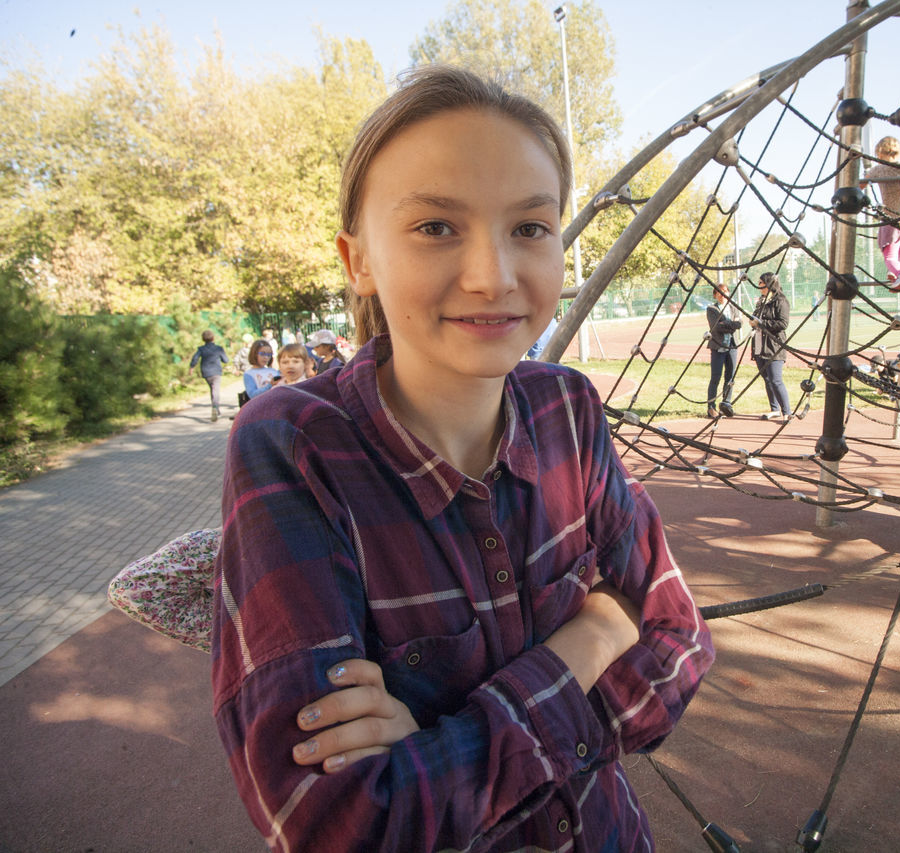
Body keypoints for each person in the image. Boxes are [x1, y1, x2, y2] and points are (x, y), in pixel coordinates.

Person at [210, 64, 713, 852]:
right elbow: (335, 821)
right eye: (436, 226)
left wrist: (442, 744)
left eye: (530, 227)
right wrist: (593, 634)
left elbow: (678, 641)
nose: (494, 276)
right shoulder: (296, 446)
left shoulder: (568, 411)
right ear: (358, 260)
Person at [863, 135, 900, 291]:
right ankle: (894, 272)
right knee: (895, 249)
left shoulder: (880, 169)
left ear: (880, 153)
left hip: (890, 216)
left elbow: (861, 184)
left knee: (888, 254)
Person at [750, 271, 791, 420]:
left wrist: (761, 323)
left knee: (775, 379)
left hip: (773, 346)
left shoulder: (780, 300)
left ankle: (787, 412)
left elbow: (783, 323)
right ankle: (775, 408)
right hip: (760, 346)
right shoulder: (761, 300)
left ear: (769, 283)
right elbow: (756, 316)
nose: (759, 286)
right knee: (767, 379)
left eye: (761, 283)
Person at [706, 282, 741, 417]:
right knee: (716, 376)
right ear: (715, 295)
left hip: (732, 346)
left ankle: (726, 404)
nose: (723, 294)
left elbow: (739, 324)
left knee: (730, 376)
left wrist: (727, 324)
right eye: (720, 292)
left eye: (725, 291)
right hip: (718, 347)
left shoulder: (733, 307)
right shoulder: (711, 309)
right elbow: (716, 327)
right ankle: (711, 407)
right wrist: (731, 325)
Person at [187, 330, 229, 422]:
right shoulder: (218, 349)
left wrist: (191, 367)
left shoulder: (201, 349)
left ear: (203, 339)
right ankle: (215, 408)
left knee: (212, 389)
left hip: (206, 373)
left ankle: (215, 407)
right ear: (213, 338)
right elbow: (225, 360)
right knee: (216, 390)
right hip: (216, 372)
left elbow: (195, 358)